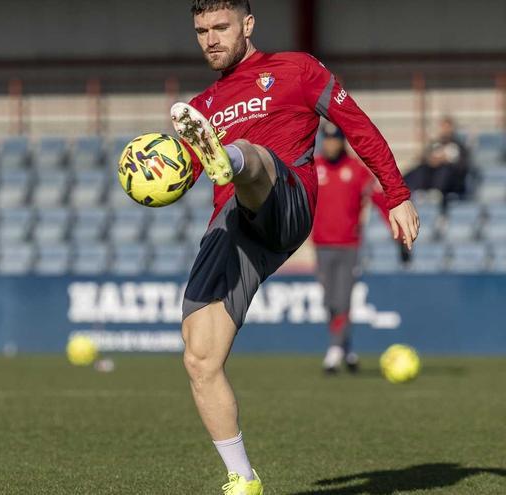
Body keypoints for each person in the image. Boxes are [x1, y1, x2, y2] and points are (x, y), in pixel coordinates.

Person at [169, 2, 419, 493]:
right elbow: (182, 180)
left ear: (248, 25)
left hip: (287, 199)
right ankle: (242, 478)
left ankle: (234, 157)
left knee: (254, 159)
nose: (211, 39)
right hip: (233, 227)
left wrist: (397, 193)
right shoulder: (203, 106)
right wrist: (155, 173)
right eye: (201, 31)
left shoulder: (295, 69)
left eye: (221, 27)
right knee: (200, 357)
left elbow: (358, 127)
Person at [312, 123, 390, 374]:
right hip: (322, 244)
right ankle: (346, 349)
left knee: (342, 299)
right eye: (327, 139)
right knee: (328, 301)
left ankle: (334, 352)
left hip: (349, 245)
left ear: (342, 142)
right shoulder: (315, 168)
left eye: (335, 140)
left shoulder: (356, 170)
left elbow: (379, 199)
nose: (330, 144)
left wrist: (395, 229)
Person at [404, 116, 471, 201]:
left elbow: (463, 166)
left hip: (451, 181)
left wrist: (446, 160)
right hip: (432, 175)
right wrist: (432, 160)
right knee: (420, 169)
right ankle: (413, 191)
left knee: (445, 169)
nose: (446, 130)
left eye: (448, 128)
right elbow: (425, 158)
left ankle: (436, 192)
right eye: (443, 127)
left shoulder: (459, 147)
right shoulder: (435, 145)